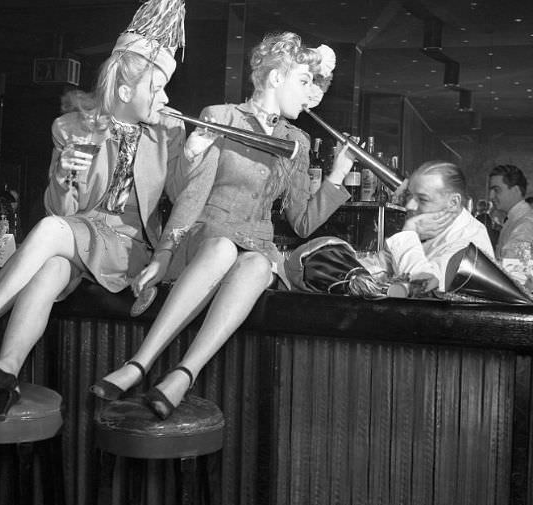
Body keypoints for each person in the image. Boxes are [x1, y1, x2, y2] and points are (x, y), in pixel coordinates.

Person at [0, 0, 196, 420]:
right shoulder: (70, 128)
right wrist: (65, 173)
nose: (163, 98)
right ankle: (7, 371)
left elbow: (181, 197)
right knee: (49, 266)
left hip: (128, 247)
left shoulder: (170, 132)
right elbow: (63, 210)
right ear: (124, 88)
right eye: (155, 89)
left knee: (48, 234)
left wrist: (194, 156)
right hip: (79, 236)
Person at [90, 31, 355, 419]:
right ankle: (139, 363)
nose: (309, 93)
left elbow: (302, 223)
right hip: (207, 238)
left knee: (259, 264)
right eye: (303, 81)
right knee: (224, 248)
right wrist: (163, 255)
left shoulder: (296, 141)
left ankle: (182, 374)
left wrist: (336, 179)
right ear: (276, 77)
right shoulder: (222, 117)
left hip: (257, 248)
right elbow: (192, 196)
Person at [359, 161, 494, 291]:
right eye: (409, 196)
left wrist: (409, 232)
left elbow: (421, 288)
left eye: (423, 199)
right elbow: (365, 269)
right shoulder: (427, 231)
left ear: (453, 202)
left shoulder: (468, 244)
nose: (409, 206)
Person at [488, 164, 533, 260]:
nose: (491, 196)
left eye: (496, 190)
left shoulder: (524, 225)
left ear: (516, 190)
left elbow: (515, 271)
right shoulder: (516, 220)